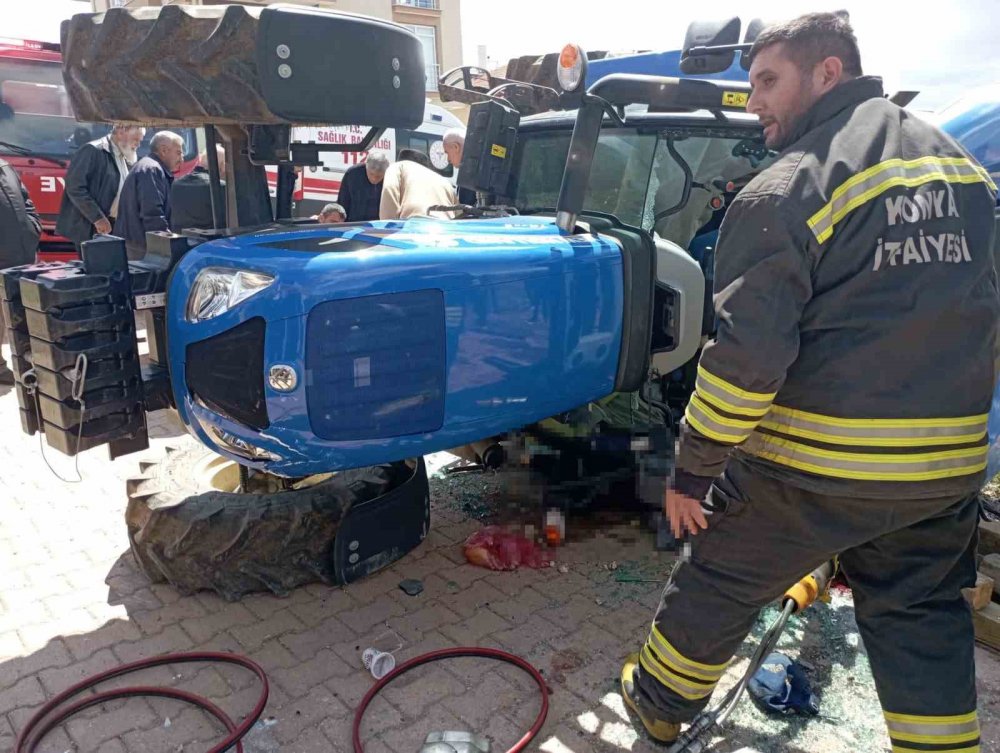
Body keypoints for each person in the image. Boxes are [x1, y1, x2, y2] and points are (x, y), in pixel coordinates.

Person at [620, 12, 999, 750]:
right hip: (944, 468)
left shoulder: (788, 188)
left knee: (718, 573)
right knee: (921, 620)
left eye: (769, 80)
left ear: (828, 72)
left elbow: (744, 366)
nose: (754, 99)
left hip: (814, 470)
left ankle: (659, 703)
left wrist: (694, 471)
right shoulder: (963, 172)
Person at [56, 125, 145, 252]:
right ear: (121, 132)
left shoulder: (124, 154)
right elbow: (75, 187)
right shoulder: (93, 150)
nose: (138, 144)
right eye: (136, 139)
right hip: (92, 228)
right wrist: (98, 218)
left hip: (114, 227)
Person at [0, 159, 41, 384]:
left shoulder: (5, 168)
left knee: (17, 313)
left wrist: (32, 228)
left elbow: (26, 202)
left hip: (21, 257)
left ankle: (26, 364)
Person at [114, 131, 184, 259]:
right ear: (163, 150)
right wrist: (169, 244)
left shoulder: (150, 167)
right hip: (141, 248)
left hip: (137, 245)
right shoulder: (152, 170)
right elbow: (152, 214)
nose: (182, 159)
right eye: (178, 153)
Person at [379, 152, 458, 220]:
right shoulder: (444, 181)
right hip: (447, 226)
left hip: (415, 223)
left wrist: (388, 225)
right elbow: (459, 213)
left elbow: (389, 189)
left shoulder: (397, 166)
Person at [170, 145, 226, 232]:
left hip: (180, 238)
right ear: (222, 166)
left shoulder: (176, 184)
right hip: (211, 238)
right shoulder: (220, 187)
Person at [338, 151, 389, 222]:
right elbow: (343, 200)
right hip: (353, 222)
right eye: (371, 174)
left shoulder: (390, 177)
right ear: (366, 167)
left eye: (379, 176)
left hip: (378, 223)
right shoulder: (353, 174)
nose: (374, 179)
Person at [443, 128, 476, 206]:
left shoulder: (469, 173)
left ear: (456, 147)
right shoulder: (473, 168)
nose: (448, 160)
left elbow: (464, 209)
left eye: (447, 153)